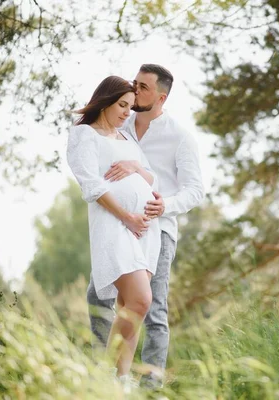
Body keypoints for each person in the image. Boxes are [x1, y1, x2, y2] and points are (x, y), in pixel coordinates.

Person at [87, 64, 204, 387]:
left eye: (143, 87)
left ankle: (150, 386)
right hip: (119, 227)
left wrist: (166, 204)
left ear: (161, 97)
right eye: (134, 84)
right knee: (98, 296)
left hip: (158, 231)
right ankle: (105, 376)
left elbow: (195, 190)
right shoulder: (121, 124)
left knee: (152, 307)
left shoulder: (179, 137)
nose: (134, 91)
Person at [66, 76, 161, 383]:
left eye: (131, 108)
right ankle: (103, 378)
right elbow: (91, 185)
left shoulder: (127, 140)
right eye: (122, 105)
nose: (126, 113)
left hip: (146, 230)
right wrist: (127, 217)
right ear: (105, 100)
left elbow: (152, 180)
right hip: (116, 225)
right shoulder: (84, 135)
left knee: (130, 309)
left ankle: (120, 384)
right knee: (140, 300)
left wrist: (135, 168)